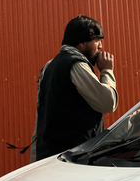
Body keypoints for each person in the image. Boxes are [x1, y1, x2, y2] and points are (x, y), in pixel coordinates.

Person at [32, 15, 118, 161]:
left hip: (50, 160)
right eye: (97, 39)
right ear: (81, 43)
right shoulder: (76, 64)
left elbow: (41, 118)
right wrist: (107, 71)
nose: (101, 46)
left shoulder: (50, 66)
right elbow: (108, 103)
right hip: (75, 160)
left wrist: (35, 162)